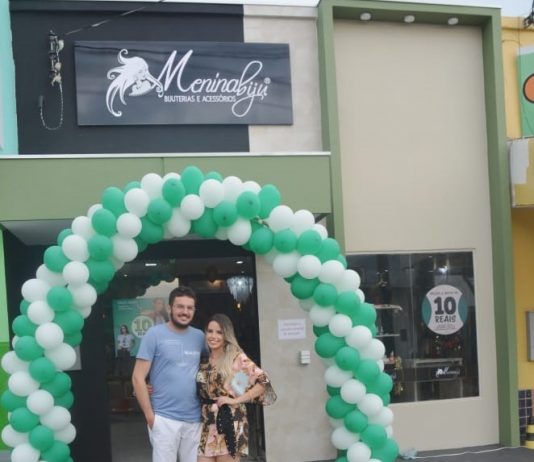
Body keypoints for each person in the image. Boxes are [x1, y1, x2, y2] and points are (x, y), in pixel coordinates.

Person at [132, 286, 205, 462]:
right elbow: (137, 377)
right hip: (164, 418)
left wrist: (237, 387)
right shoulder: (154, 334)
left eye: (189, 308)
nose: (185, 312)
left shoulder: (200, 337)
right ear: (170, 308)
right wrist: (150, 417)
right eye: (180, 306)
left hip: (195, 419)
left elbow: (220, 363)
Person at [196, 313, 276, 462]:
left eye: (219, 332)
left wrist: (236, 400)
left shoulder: (236, 358)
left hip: (230, 422)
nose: (213, 336)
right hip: (205, 423)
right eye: (210, 331)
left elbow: (264, 382)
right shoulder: (203, 359)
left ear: (226, 335)